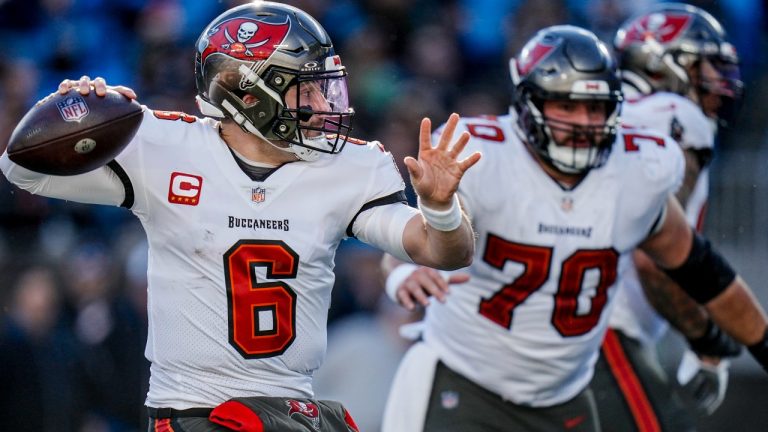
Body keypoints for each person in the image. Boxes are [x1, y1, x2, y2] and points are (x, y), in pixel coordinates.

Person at [0, 2, 481, 431]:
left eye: (323, 88)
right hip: (193, 410)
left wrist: (439, 207)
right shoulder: (165, 147)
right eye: (304, 91)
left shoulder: (350, 168)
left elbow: (443, 251)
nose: (322, 105)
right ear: (248, 96)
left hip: (293, 408)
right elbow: (22, 170)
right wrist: (67, 113)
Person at [380, 25, 768, 432]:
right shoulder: (483, 153)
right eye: (567, 106)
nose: (584, 122)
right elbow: (423, 239)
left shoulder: (637, 167)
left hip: (566, 396)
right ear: (530, 104)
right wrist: (417, 256)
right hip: (464, 378)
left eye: (596, 108)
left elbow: (703, 271)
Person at [590, 4, 746, 431]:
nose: (720, 82)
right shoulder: (677, 118)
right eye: (706, 66)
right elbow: (652, 256)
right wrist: (706, 339)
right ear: (661, 67)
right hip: (600, 328)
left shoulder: (599, 115)